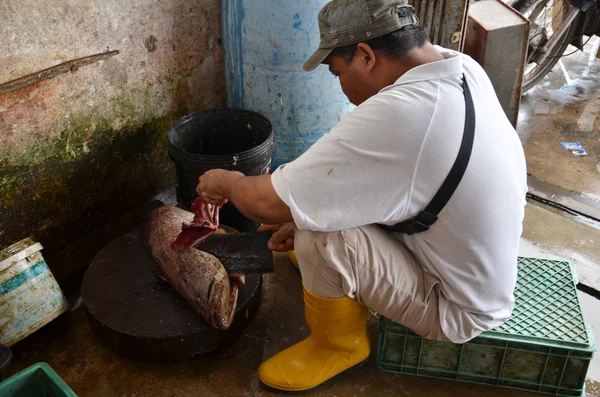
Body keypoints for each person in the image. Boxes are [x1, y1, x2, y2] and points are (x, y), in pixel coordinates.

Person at [196, 0, 527, 392]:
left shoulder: (404, 115)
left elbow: (264, 202)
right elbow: (406, 185)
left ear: (366, 56)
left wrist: (223, 180)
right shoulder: (460, 68)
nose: (341, 86)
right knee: (314, 211)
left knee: (321, 235)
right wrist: (302, 210)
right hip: (471, 266)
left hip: (454, 306)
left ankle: (339, 346)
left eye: (338, 72)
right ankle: (337, 276)